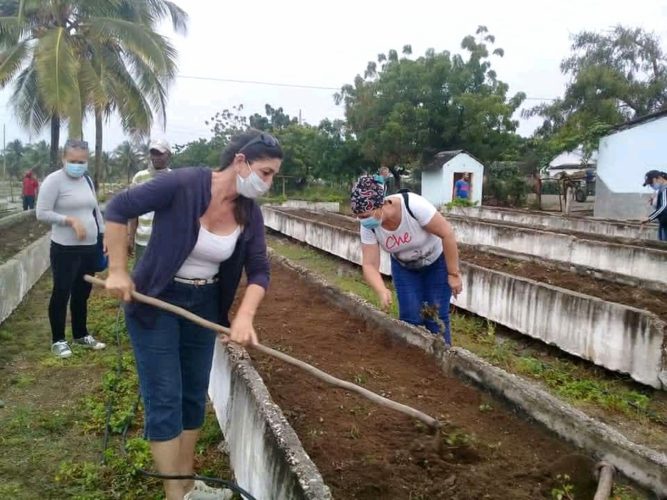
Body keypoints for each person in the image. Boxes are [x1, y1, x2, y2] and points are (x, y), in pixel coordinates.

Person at [103, 129, 282, 500]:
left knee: (192, 395)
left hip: (204, 306)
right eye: (265, 172)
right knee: (165, 395)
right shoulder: (182, 184)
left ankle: (186, 483)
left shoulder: (249, 213)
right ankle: (175, 495)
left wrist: (244, 316)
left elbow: (259, 270)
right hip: (157, 300)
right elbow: (118, 208)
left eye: (272, 176)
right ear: (241, 161)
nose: (267, 182)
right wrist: (118, 270)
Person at [350, 176, 463, 345]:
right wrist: (381, 290)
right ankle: (412, 356)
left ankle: (443, 356)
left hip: (436, 263)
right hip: (404, 267)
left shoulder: (413, 206)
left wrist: (453, 273)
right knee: (410, 318)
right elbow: (369, 264)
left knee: (436, 316)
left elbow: (447, 233)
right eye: (360, 217)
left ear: (381, 204)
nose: (363, 221)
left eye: (366, 215)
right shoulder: (369, 227)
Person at [36, 139, 107, 358]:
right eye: (73, 161)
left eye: (82, 161)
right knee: (62, 292)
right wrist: (70, 220)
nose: (78, 165)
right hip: (65, 249)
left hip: (89, 247)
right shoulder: (54, 181)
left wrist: (102, 235)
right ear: (63, 158)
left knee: (82, 293)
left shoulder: (87, 180)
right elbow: (42, 213)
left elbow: (95, 210)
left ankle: (80, 334)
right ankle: (58, 340)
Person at [127, 139, 172, 265]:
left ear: (169, 155)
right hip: (143, 240)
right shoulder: (139, 177)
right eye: (153, 153)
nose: (156, 157)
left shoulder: (175, 179)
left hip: (166, 240)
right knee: (142, 274)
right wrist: (130, 237)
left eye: (160, 154)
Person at [641, 170, 667, 241]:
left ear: (658, 178)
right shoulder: (661, 190)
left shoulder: (665, 190)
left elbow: (664, 207)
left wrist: (649, 218)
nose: (651, 186)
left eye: (651, 183)